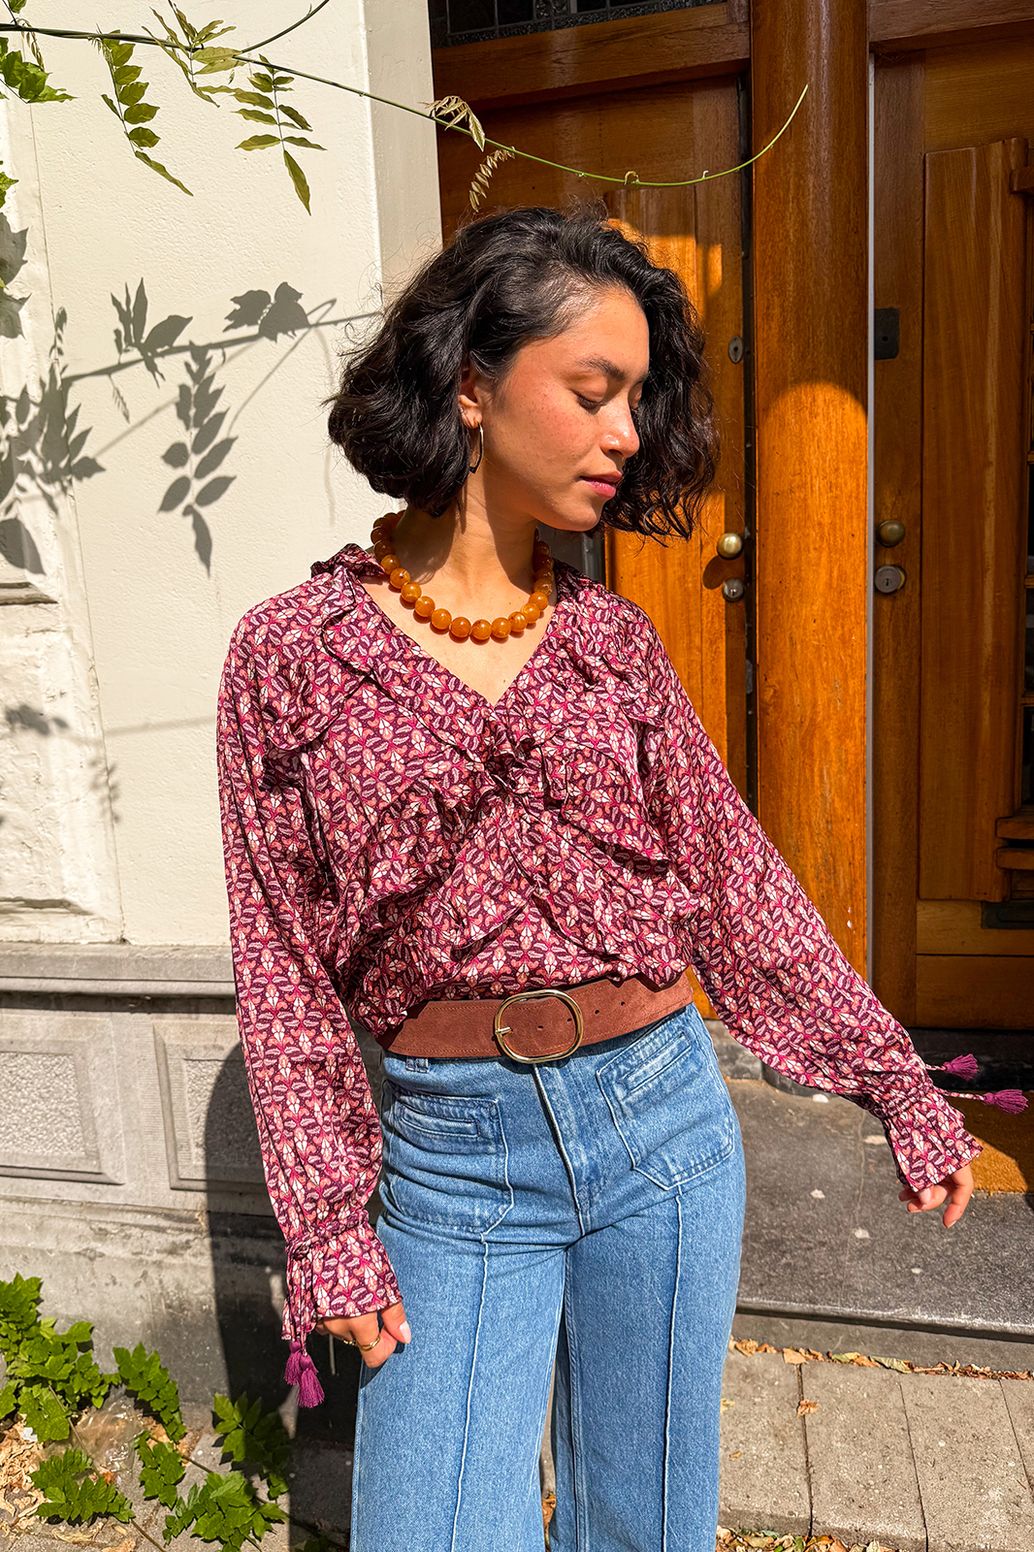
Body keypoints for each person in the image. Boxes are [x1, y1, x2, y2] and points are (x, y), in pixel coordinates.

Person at [215, 201, 995, 1552]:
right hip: (453, 1161)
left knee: (645, 1522)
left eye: (637, 399)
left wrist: (892, 1079)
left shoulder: (610, 646)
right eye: (593, 392)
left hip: (662, 1127)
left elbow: (731, 882)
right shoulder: (290, 653)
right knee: (433, 1529)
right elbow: (282, 969)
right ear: (472, 381)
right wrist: (328, 1229)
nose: (626, 434)